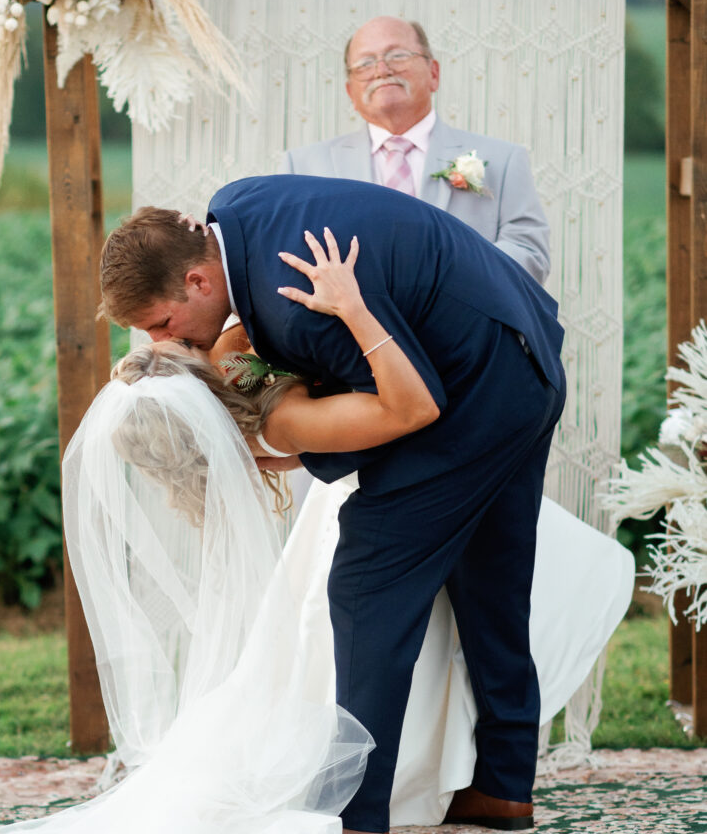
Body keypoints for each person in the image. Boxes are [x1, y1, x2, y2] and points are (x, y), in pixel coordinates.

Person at [99, 175, 566, 834]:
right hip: (524, 355)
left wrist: (304, 439)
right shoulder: (234, 210)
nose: (165, 345)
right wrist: (291, 441)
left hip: (473, 397)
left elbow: (413, 406)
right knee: (492, 582)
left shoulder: (294, 308)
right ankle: (503, 786)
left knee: (364, 591)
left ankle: (357, 816)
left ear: (198, 284)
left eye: (161, 325)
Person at [280, 16, 550, 285]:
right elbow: (283, 258)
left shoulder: (503, 160)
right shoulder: (302, 166)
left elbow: (530, 254)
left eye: (397, 55)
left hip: (459, 324)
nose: (382, 70)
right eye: (365, 63)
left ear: (434, 73)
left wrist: (454, 279)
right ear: (350, 92)